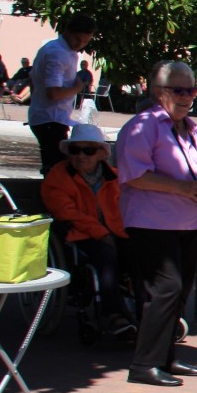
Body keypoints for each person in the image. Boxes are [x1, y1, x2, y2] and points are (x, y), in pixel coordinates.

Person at [114, 60, 197, 386]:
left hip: (190, 222)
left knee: (180, 291)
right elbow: (134, 175)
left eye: (191, 89)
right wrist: (183, 189)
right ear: (157, 91)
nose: (187, 96)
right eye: (178, 90)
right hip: (152, 222)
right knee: (165, 288)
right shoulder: (143, 125)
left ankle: (166, 358)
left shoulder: (191, 127)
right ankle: (144, 364)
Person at [40, 123, 134, 339]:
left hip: (118, 232)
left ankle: (148, 310)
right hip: (80, 235)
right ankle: (114, 314)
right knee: (105, 254)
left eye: (88, 150)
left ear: (101, 153)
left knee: (142, 252)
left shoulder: (116, 177)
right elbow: (66, 213)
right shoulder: (58, 177)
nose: (81, 155)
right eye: (76, 150)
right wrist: (101, 233)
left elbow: (130, 207)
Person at [28, 12, 97, 174]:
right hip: (51, 119)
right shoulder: (58, 54)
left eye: (85, 41)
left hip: (48, 116)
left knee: (56, 165)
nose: (80, 44)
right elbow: (53, 93)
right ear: (68, 31)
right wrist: (77, 88)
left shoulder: (57, 49)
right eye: (77, 39)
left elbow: (33, 81)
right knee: (57, 169)